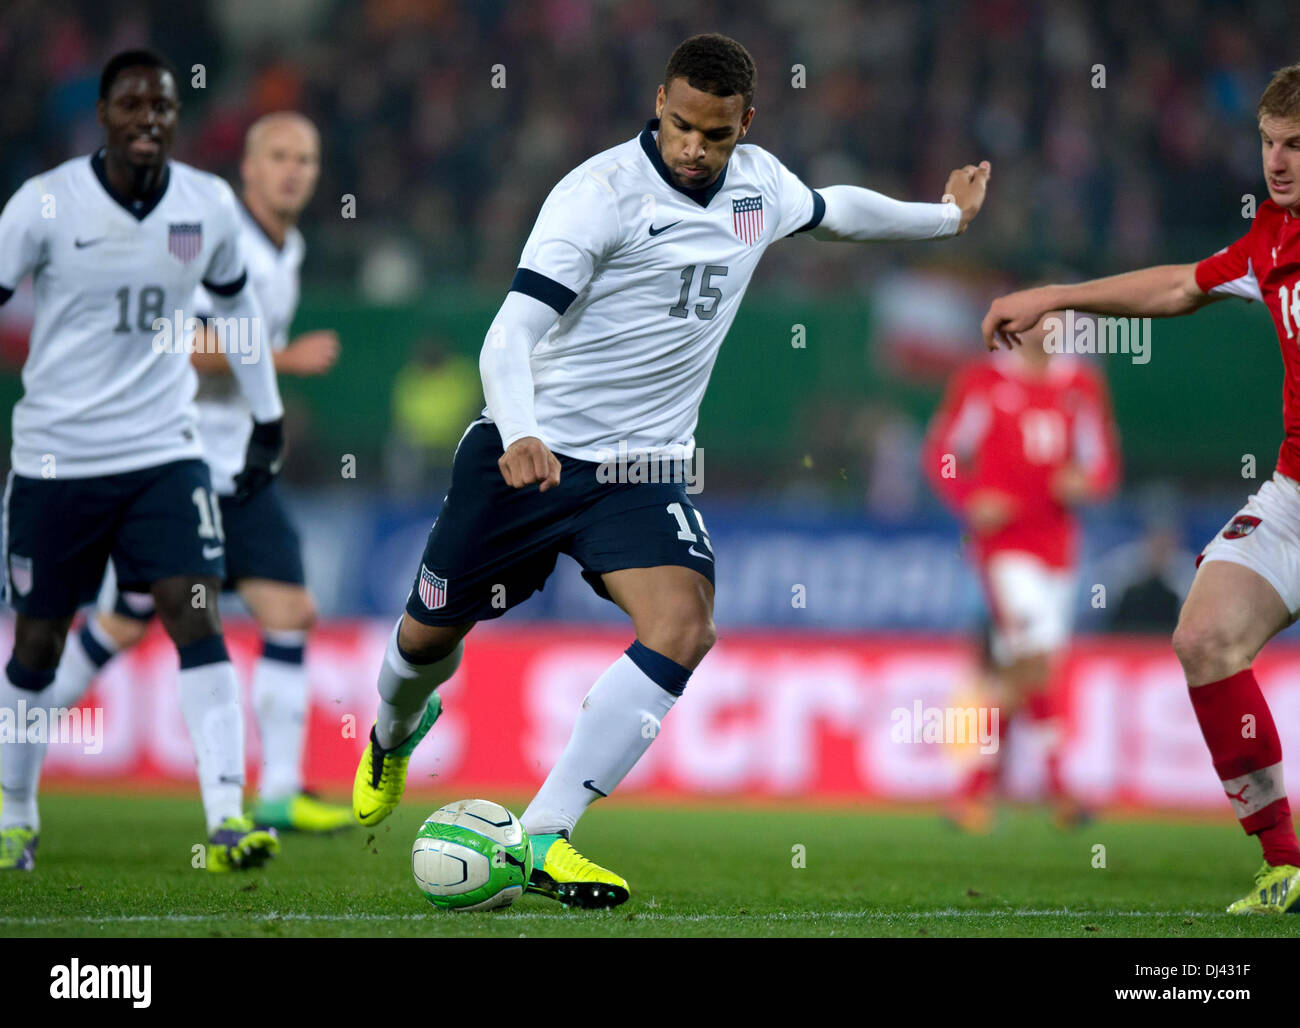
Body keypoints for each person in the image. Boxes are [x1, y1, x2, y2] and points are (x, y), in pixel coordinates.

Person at [351, 32, 991, 908]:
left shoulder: (760, 185)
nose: (695, 148)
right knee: (425, 639)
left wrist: (944, 219)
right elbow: (510, 334)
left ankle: (543, 836)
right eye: (682, 125)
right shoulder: (597, 195)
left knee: (684, 627)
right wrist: (524, 431)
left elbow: (837, 209)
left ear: (745, 125)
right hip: (525, 458)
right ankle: (391, 734)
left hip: (643, 470)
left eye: (715, 134)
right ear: (658, 103)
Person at [983, 62, 1300, 914]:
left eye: (1296, 146)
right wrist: (1057, 296)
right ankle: (1283, 862)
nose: (1277, 161)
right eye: (1269, 143)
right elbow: (1176, 285)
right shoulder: (1271, 237)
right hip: (1293, 494)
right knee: (1203, 638)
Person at [0, 50, 286, 871]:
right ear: (102, 114)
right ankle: (16, 812)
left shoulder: (207, 204)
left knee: (195, 613)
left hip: (166, 452)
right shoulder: (45, 203)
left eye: (161, 107)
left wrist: (266, 420)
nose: (149, 119)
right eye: (132, 106)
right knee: (39, 645)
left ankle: (228, 818)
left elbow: (237, 315)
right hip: (57, 459)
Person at [45, 111, 348, 834]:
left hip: (236, 468)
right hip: (172, 461)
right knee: (122, 624)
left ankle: (277, 793)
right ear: (247, 168)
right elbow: (178, 341)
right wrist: (282, 360)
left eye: (305, 158)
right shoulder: (213, 239)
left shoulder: (289, 246)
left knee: (290, 612)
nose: (293, 170)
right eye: (278, 155)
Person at [923, 314, 1120, 831]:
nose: (1047, 334)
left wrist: (1086, 481)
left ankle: (975, 792)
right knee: (1032, 655)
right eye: (1037, 323)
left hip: (1060, 546)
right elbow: (942, 454)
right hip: (1004, 545)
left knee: (1029, 668)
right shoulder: (983, 380)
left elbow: (1102, 464)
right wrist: (969, 497)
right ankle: (1058, 790)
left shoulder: (1081, 385)